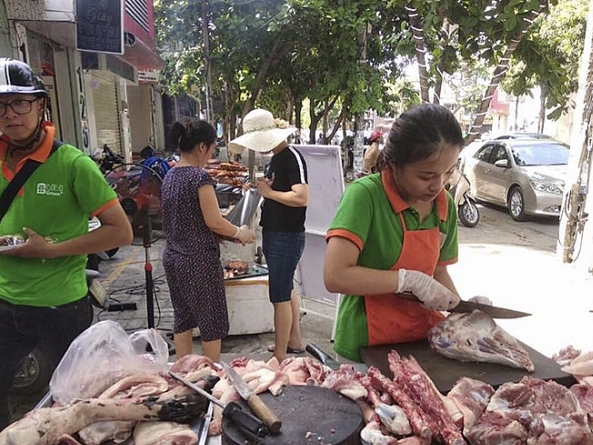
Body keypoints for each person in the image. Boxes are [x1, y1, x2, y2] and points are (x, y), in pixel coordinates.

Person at [0, 57, 133, 445]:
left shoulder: (73, 164)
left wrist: (50, 250)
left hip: (61, 305)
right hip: (3, 300)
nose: (9, 114)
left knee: (72, 400)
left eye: (19, 103)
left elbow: (120, 231)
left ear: (41, 106)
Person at [324, 104, 491, 362]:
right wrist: (406, 281)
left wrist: (461, 312)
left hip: (423, 344)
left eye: (448, 172)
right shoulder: (365, 196)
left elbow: (438, 273)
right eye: (426, 176)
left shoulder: (444, 205)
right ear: (395, 163)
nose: (437, 185)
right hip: (366, 347)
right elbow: (335, 276)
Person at [162, 121, 255, 361]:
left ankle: (183, 375)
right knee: (210, 320)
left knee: (182, 318)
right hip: (198, 261)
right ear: (202, 147)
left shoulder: (170, 175)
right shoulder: (198, 178)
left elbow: (190, 217)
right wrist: (239, 232)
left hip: (173, 258)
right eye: (213, 149)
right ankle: (210, 377)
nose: (212, 155)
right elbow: (214, 221)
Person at [229, 109, 309, 363]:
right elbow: (278, 190)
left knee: (279, 295)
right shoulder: (276, 158)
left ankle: (280, 355)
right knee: (286, 289)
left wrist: (270, 193)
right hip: (276, 231)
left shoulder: (291, 157)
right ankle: (293, 340)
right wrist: (258, 189)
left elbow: (301, 197)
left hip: (287, 234)